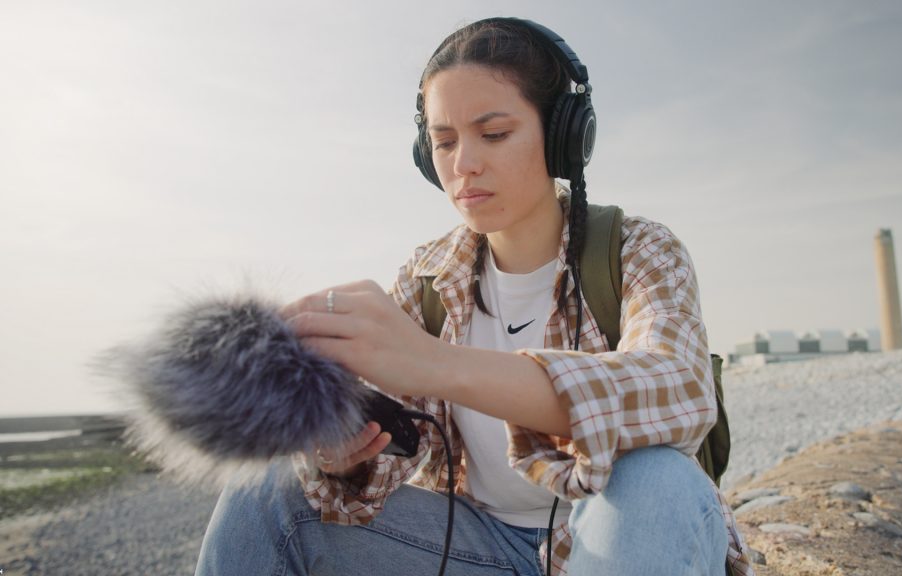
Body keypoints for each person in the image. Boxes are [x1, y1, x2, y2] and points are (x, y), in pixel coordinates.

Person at [195, 17, 754, 576]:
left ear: (564, 135)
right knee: (269, 493)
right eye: (443, 142)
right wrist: (341, 458)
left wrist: (438, 364)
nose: (463, 164)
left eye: (493, 134)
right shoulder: (427, 278)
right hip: (478, 547)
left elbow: (679, 389)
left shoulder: (638, 249)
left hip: (627, 542)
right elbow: (384, 468)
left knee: (655, 477)